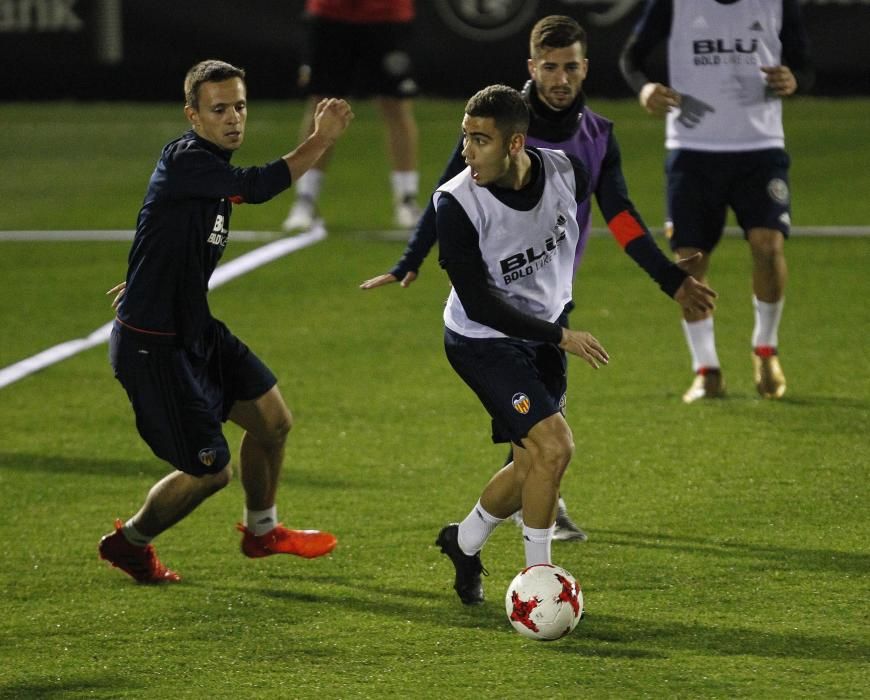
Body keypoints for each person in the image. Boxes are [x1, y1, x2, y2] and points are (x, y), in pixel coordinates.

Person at [360, 15, 716, 541]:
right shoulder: (498, 124)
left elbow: (619, 215)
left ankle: (474, 536)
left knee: (544, 423)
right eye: (549, 67)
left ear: (585, 68)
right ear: (532, 67)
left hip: (552, 295)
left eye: (570, 67)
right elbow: (447, 194)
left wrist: (669, 278)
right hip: (496, 305)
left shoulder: (596, 137)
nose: (560, 79)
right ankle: (540, 540)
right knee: (540, 431)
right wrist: (412, 258)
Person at [98, 59, 354, 583]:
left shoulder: (207, 163)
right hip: (155, 347)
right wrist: (319, 139)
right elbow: (258, 186)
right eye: (219, 109)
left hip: (194, 326)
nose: (234, 118)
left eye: (240, 105)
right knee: (210, 471)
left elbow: (162, 224)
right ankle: (130, 543)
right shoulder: (191, 159)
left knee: (273, 422)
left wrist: (149, 278)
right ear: (193, 115)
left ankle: (262, 532)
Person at [427, 84, 610, 605]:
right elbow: (481, 304)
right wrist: (562, 335)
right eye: (465, 137)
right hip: (483, 341)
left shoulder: (566, 173)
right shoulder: (457, 204)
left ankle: (462, 543)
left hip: (543, 334)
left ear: (515, 144)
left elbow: (582, 220)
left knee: (531, 463)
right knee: (554, 447)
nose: (467, 151)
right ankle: (541, 582)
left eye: (480, 140)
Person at [619, 0, 813, 403]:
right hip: (692, 150)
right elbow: (631, 56)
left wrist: (794, 80)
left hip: (760, 147)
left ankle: (765, 349)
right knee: (690, 259)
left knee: (768, 245)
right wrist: (646, 88)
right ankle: (706, 370)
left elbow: (804, 68)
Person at [282, 0, 420, 233]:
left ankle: (406, 200)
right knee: (322, 104)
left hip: (387, 14)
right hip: (331, 12)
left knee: (395, 106)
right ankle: (305, 200)